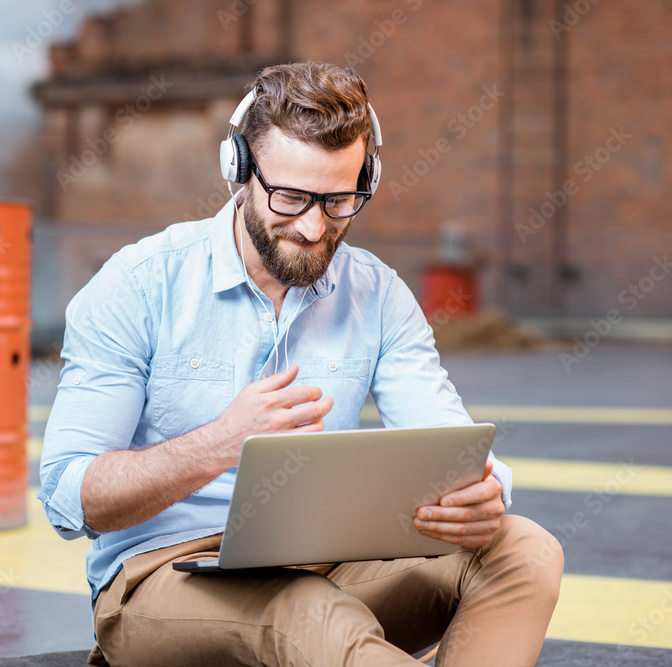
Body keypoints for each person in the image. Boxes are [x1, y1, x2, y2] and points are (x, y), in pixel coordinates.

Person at [38, 61, 564, 666]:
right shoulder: (138, 285)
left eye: (340, 201)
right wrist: (220, 442)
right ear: (237, 170)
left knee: (525, 549)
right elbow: (69, 498)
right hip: (160, 577)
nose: (314, 228)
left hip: (323, 566)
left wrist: (482, 492)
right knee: (311, 614)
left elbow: (449, 440)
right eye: (289, 197)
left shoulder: (378, 293)